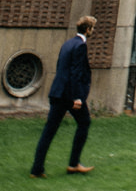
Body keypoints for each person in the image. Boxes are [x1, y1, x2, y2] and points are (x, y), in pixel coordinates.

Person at [31, 15, 96, 178]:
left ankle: (37, 169)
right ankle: (74, 164)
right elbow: (75, 72)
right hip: (70, 95)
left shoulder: (67, 44)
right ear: (88, 29)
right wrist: (77, 98)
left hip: (58, 92)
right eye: (92, 28)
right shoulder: (81, 46)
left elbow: (61, 67)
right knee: (85, 122)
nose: (93, 31)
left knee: (49, 131)